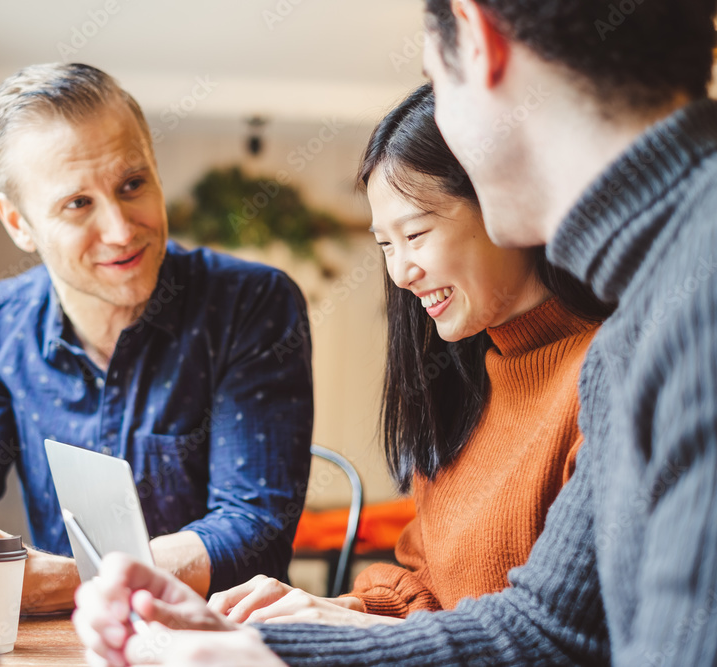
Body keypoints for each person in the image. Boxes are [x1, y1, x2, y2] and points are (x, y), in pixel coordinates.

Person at [73, 0, 717, 664]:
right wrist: (253, 643)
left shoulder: (685, 296)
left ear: (475, 39)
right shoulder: (640, 320)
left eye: (435, 87)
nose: (402, 269)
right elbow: (546, 628)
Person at [0, 63, 314, 620]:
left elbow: (254, 531)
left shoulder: (253, 303)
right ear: (18, 223)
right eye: (78, 204)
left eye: (132, 184)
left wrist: (63, 578)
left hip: (222, 640)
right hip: (65, 646)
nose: (121, 230)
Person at [203, 84, 611, 629]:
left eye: (416, 233)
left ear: (509, 207)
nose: (399, 273)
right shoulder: (463, 378)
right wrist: (331, 609)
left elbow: (557, 636)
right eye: (385, 244)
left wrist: (352, 630)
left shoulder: (608, 376)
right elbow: (427, 585)